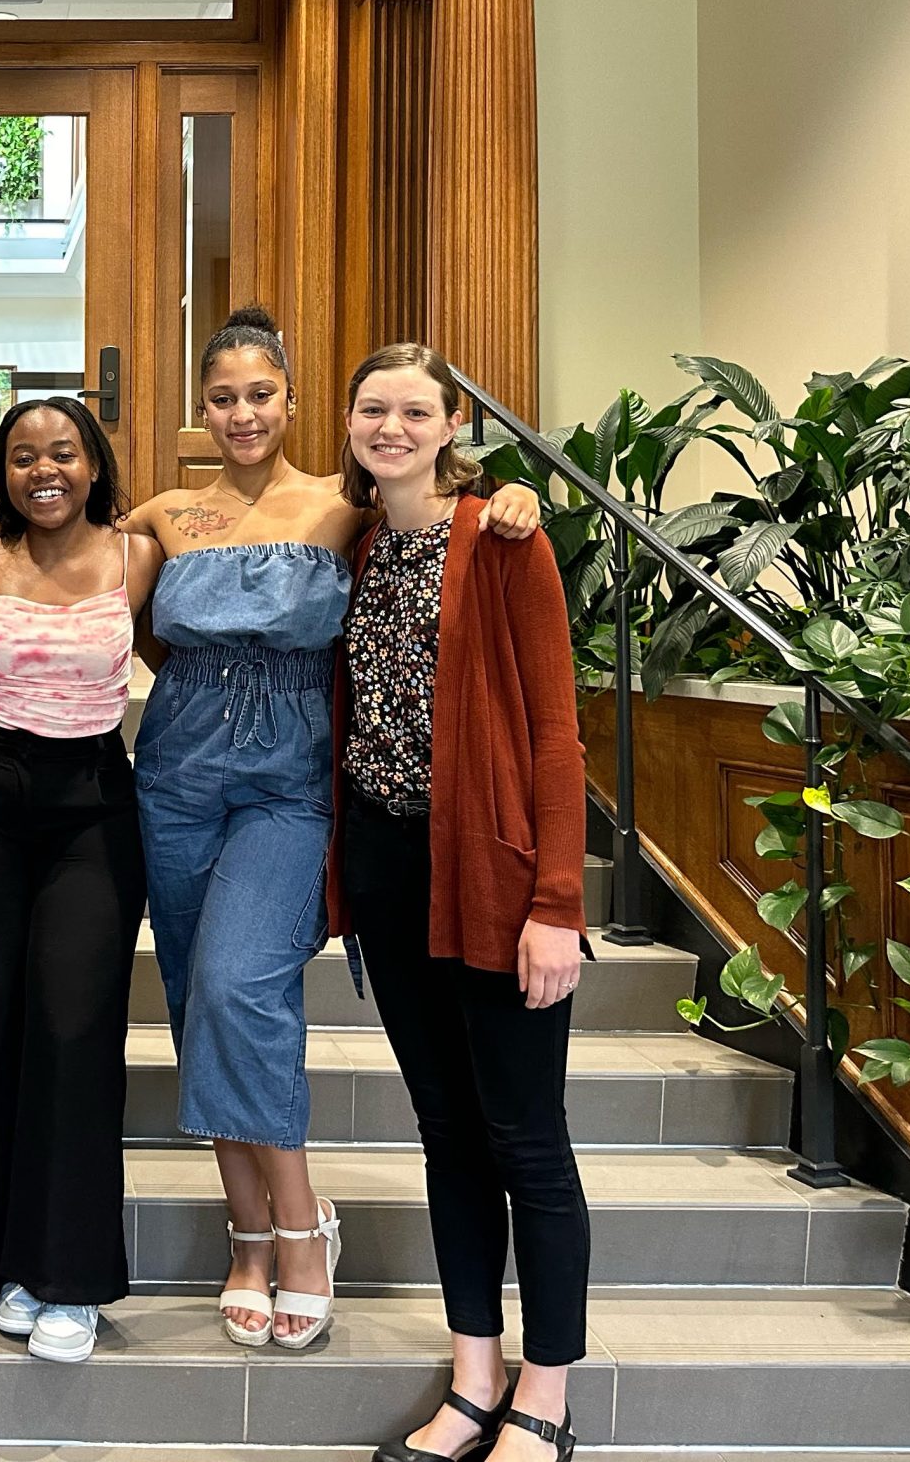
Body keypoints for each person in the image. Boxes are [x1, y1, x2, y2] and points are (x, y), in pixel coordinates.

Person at [118, 308, 537, 1354]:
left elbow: (435, 514)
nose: (242, 412)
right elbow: (109, 612)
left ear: (293, 402)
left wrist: (505, 494)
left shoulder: (343, 509)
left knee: (236, 982)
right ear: (199, 408)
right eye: (222, 397)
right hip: (175, 774)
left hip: (291, 782)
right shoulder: (164, 514)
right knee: (190, 998)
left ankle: (303, 1226)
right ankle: (246, 1235)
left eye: (261, 394)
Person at [331, 343, 589, 1462]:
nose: (390, 426)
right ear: (349, 422)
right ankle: (472, 1371)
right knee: (447, 1131)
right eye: (372, 407)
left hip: (493, 874)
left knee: (525, 1138)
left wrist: (556, 901)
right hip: (388, 870)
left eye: (413, 411)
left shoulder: (501, 538)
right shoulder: (354, 546)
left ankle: (547, 1391)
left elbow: (554, 730)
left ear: (450, 425)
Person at [0, 397, 161, 1365]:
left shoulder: (141, 552)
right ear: (2, 473)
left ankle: (67, 1279)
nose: (44, 470)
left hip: (91, 804)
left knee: (72, 1027)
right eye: (23, 457)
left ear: (94, 463)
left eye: (62, 453)